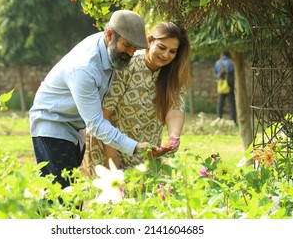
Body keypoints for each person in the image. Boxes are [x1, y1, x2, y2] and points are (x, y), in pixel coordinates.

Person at [29, 10, 172, 189]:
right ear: (110, 35)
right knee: (59, 198)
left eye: (135, 48)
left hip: (75, 128)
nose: (131, 52)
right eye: (127, 45)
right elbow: (96, 123)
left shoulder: (108, 46)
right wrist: (135, 146)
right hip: (53, 124)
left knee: (73, 196)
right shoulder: (84, 68)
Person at [80, 21, 192, 177]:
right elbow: (105, 114)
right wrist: (111, 157)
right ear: (149, 41)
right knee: (111, 198)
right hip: (110, 147)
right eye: (161, 47)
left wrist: (174, 135)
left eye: (172, 51)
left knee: (146, 198)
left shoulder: (172, 74)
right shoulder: (128, 65)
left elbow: (175, 108)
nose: (166, 55)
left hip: (147, 152)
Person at [214, 51, 237, 124]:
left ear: (222, 54)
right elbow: (234, 72)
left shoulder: (218, 63)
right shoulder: (232, 63)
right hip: (230, 86)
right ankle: (233, 120)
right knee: (232, 104)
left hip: (221, 86)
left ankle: (219, 119)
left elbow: (216, 72)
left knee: (220, 104)